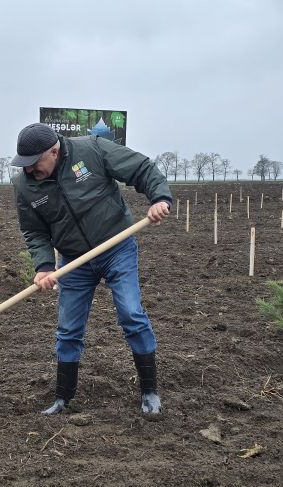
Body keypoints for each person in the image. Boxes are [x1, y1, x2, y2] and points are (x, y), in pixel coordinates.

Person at [9, 123, 172, 416]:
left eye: (34, 164)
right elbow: (34, 232)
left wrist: (159, 197)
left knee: (131, 314)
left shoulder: (92, 149)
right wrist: (45, 266)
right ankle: (62, 399)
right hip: (72, 260)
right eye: (25, 166)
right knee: (68, 329)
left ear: (54, 151)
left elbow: (141, 168)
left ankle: (150, 392)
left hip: (117, 247)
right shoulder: (25, 185)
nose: (30, 171)